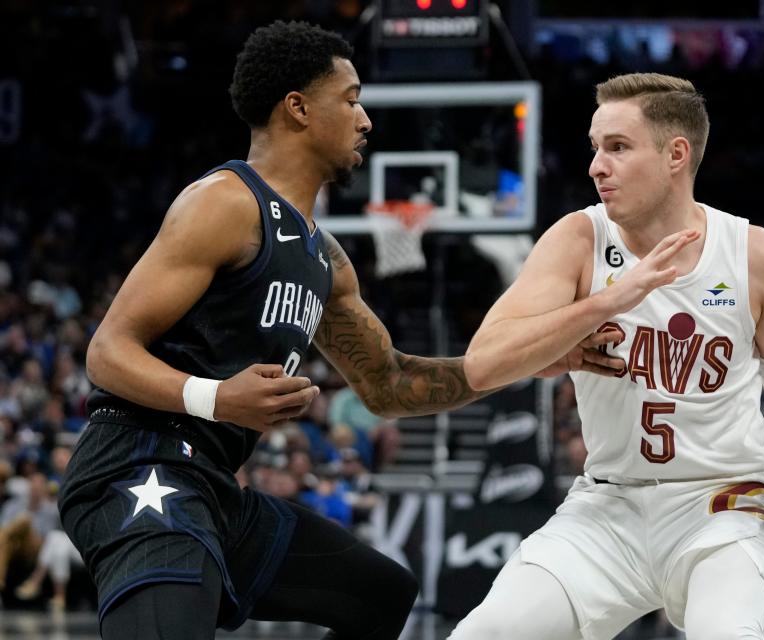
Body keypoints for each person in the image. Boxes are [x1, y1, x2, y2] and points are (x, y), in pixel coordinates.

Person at [56, 21, 618, 640]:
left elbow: (392, 384)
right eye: (350, 99)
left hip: (210, 484)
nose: (366, 118)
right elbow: (107, 352)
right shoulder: (225, 202)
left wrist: (527, 361)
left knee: (380, 594)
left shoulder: (326, 260)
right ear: (297, 108)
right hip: (137, 466)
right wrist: (216, 397)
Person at [450, 72, 764, 639]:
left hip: (725, 502)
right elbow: (482, 362)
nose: (597, 165)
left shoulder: (752, 252)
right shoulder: (578, 239)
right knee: (485, 634)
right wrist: (608, 300)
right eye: (595, 147)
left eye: (617, 148)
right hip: (608, 506)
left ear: (676, 154)